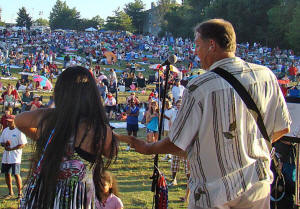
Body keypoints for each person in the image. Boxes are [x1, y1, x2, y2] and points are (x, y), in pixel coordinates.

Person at [126, 19, 291, 209]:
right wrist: (245, 148)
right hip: (256, 185)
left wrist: (148, 148)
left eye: (197, 45)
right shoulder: (266, 76)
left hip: (214, 191)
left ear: (211, 45)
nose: (195, 51)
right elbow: (282, 127)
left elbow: (177, 142)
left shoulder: (200, 86)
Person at [15, 66, 118, 209]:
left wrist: (42, 138)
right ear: (92, 94)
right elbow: (108, 153)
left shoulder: (48, 118)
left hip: (43, 197)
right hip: (78, 201)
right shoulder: (101, 131)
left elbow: (19, 120)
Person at [0, 115, 27, 199]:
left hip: (15, 157)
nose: (8, 123)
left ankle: (20, 193)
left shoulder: (19, 131)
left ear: (14, 121)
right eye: (7, 121)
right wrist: (5, 145)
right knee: (7, 174)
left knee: (16, 174)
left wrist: (12, 148)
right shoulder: (5, 131)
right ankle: (10, 192)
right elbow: (1, 142)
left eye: (10, 121)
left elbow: (23, 144)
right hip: (6, 156)